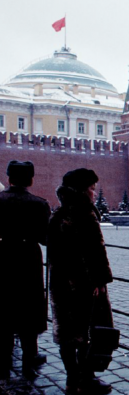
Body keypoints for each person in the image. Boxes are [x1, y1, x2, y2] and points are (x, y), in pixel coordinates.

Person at [47, 168, 115, 395]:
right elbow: (95, 252)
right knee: (88, 331)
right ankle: (85, 380)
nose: (94, 194)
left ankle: (71, 379)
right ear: (82, 190)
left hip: (61, 282)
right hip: (84, 284)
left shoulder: (58, 215)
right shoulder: (85, 215)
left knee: (67, 333)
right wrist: (100, 281)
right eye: (92, 189)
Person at [0, 161, 51, 379]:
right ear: (30, 180)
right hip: (28, 258)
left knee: (3, 306)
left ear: (9, 178)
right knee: (29, 307)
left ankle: (3, 360)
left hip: (1, 256)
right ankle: (30, 359)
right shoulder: (39, 204)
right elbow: (45, 237)